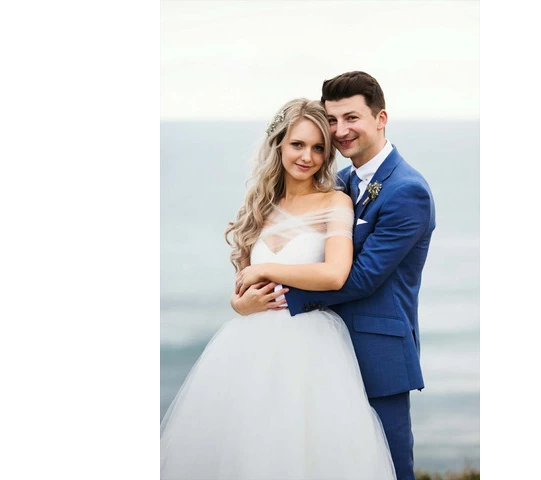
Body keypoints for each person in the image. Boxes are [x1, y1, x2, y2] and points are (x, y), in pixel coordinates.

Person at [160, 98, 397, 480]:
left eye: (318, 148)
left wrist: (266, 268)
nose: (307, 157)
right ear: (279, 144)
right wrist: (239, 304)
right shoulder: (260, 206)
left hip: (309, 351)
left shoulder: (335, 202)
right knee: (247, 452)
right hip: (247, 352)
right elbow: (243, 285)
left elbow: (335, 274)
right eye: (297, 144)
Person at [232, 71, 436, 480]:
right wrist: (243, 302)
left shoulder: (407, 191)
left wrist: (273, 298)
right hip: (316, 353)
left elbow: (361, 278)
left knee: (387, 467)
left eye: (352, 118)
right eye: (333, 120)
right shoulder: (339, 184)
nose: (340, 131)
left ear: (381, 118)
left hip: (375, 352)